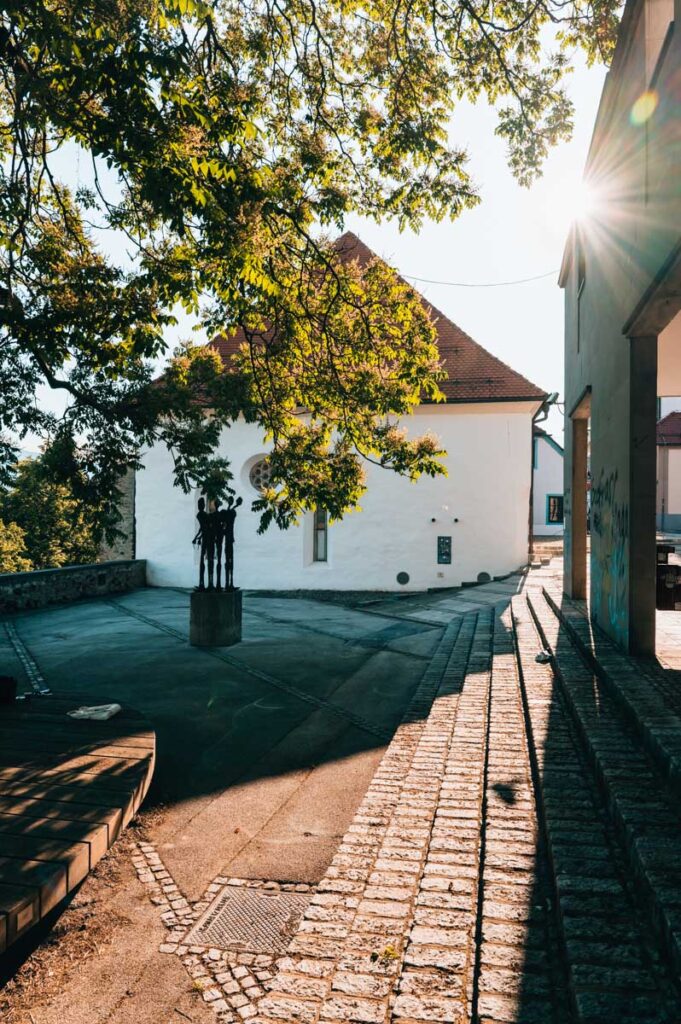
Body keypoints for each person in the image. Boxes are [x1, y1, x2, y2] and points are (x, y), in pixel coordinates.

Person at [192, 496, 216, 590]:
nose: (199, 506)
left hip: (208, 538)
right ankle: (203, 583)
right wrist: (197, 537)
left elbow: (204, 528)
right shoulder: (200, 515)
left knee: (208, 559)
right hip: (206, 538)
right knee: (204, 559)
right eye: (199, 504)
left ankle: (208, 583)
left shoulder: (202, 515)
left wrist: (197, 537)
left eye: (201, 504)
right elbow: (202, 528)